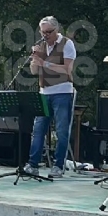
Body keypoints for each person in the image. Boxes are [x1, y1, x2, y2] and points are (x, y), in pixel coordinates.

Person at [25, 16, 76, 179]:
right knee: (38, 129)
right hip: (44, 92)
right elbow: (34, 72)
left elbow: (67, 70)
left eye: (49, 32)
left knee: (61, 130)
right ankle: (33, 164)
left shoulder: (67, 44)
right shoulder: (41, 46)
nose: (46, 35)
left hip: (62, 91)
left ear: (57, 30)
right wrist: (34, 60)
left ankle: (58, 165)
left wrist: (44, 63)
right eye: (43, 32)